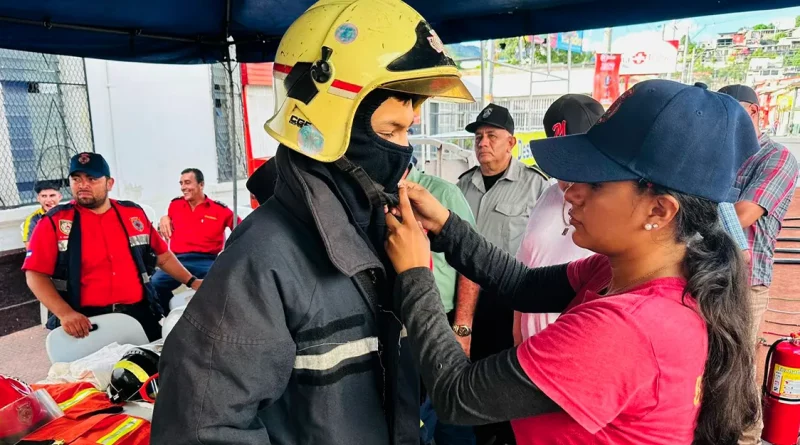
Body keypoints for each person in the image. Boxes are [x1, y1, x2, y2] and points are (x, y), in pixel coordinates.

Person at [150, 1, 474, 444]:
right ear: (330, 126)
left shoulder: (381, 232)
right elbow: (201, 426)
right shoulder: (264, 257)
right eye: (391, 132)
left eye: (408, 131)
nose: (405, 151)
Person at [384, 80, 760, 444]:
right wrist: (447, 226)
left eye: (596, 183)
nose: (572, 193)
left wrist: (416, 274)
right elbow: (524, 286)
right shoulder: (625, 271)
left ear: (659, 209)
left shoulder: (629, 328)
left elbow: (455, 395)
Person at [23, 152, 202, 341]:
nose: (83, 185)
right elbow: (34, 274)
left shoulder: (132, 214)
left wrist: (192, 281)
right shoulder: (54, 222)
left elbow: (163, 256)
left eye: (91, 179)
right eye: (76, 179)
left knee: (156, 365)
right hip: (86, 321)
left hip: (139, 314)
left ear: (109, 183)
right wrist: (65, 313)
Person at [458, 102, 549, 445]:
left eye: (491, 136)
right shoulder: (462, 186)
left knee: (510, 377)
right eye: (479, 137)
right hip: (465, 303)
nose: (483, 143)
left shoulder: (535, 187)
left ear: (511, 143)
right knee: (471, 374)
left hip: (510, 301)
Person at [718, 84, 800, 445]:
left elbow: (745, 213)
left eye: (736, 115)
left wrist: (689, 218)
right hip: (703, 274)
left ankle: (747, 439)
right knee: (704, 362)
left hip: (746, 281)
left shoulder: (777, 157)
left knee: (738, 368)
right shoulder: (718, 156)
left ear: (754, 113)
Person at [512, 94, 601, 345]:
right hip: (531, 347)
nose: (565, 176)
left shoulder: (613, 207)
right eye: (558, 160)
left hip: (576, 353)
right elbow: (525, 267)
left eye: (573, 160)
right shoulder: (548, 195)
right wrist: (518, 332)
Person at [404, 159, 478, 445]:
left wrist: (462, 328)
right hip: (401, 326)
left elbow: (470, 266)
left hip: (444, 322)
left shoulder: (443, 194)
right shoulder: (373, 196)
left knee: (451, 414)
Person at [154, 168, 239, 308]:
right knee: (155, 284)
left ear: (201, 185)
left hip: (206, 261)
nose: (183, 187)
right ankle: (171, 316)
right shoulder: (175, 205)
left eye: (187, 183)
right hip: (177, 260)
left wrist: (231, 255)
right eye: (181, 183)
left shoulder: (219, 210)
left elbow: (240, 228)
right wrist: (164, 218)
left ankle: (212, 320)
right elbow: (164, 225)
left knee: (220, 283)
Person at [21, 181, 62, 249]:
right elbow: (30, 249)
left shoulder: (69, 213)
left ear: (60, 197)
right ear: (38, 198)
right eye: (44, 196)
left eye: (52, 195)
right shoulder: (32, 220)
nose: (48, 200)